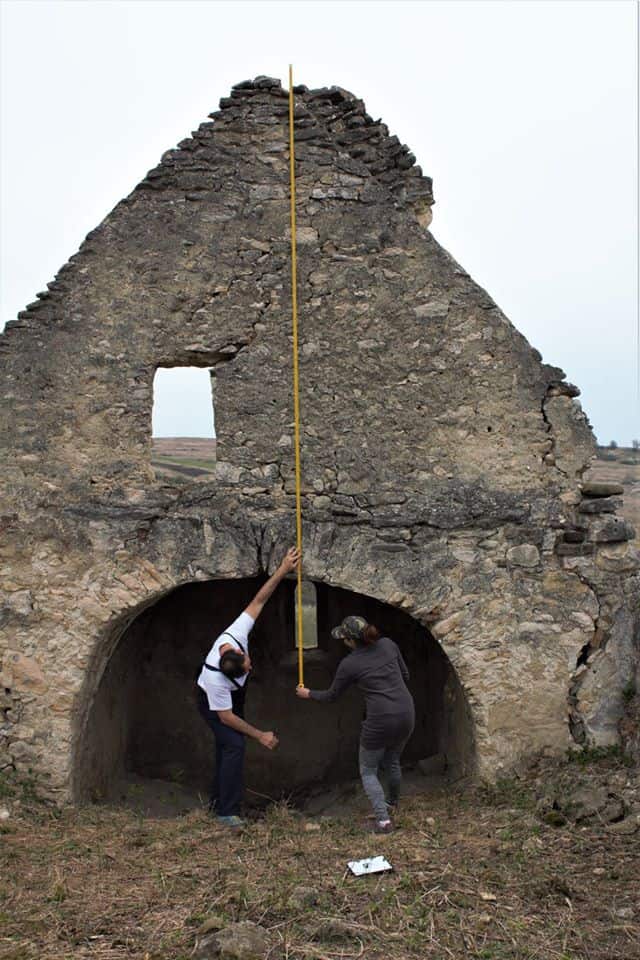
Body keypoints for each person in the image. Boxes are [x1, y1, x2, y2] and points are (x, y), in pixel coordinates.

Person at [197, 546, 300, 828]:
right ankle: (226, 812)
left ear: (239, 652)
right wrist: (260, 735)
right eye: (246, 670)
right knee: (234, 744)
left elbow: (259, 600)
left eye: (248, 663)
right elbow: (226, 717)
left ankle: (219, 800)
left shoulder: (235, 635)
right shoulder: (216, 681)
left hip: (232, 698)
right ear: (228, 675)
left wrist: (283, 569)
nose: (250, 668)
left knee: (228, 745)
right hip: (213, 706)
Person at [296, 615, 414, 834]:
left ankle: (384, 822)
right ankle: (392, 803)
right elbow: (405, 674)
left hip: (379, 720)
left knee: (368, 770)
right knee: (392, 760)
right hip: (406, 712)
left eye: (344, 638)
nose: (343, 642)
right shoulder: (388, 645)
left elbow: (331, 696)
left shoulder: (350, 664)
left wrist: (308, 693)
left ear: (350, 641)